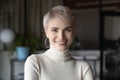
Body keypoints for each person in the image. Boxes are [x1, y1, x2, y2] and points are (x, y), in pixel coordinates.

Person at [24, 5, 94, 80]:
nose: (61, 37)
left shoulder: (83, 68)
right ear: (46, 32)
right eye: (55, 30)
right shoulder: (35, 62)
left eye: (67, 30)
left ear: (73, 32)